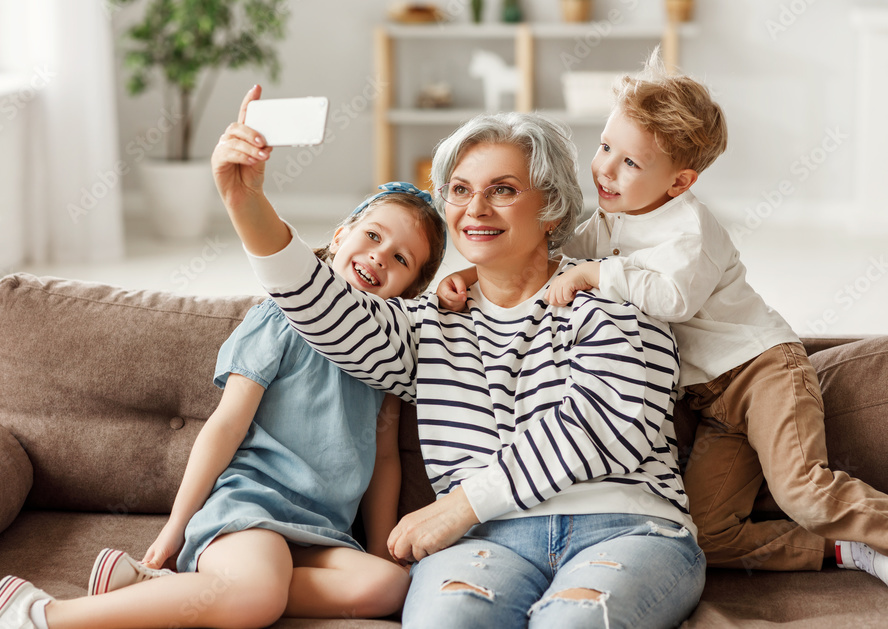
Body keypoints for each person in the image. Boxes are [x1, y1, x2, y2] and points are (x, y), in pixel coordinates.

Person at [215, 85, 705, 627]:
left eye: (502, 190)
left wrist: (459, 506)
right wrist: (246, 203)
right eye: (460, 190)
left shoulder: (612, 287)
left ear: (552, 206)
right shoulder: (430, 322)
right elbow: (325, 308)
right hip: (485, 543)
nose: (476, 209)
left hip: (625, 525)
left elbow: (605, 423)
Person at [440, 48, 888, 585]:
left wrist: (595, 277)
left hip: (760, 372)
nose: (605, 168)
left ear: (678, 183)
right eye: (606, 146)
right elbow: (549, 257)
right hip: (710, 398)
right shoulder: (609, 218)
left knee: (804, 492)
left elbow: (673, 299)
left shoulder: (689, 229)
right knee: (708, 530)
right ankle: (843, 553)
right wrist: (469, 276)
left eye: (629, 162)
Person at [0, 177, 448, 629]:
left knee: (389, 586)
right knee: (258, 595)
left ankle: (177, 590)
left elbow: (384, 459)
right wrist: (175, 530)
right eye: (373, 235)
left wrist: (383, 549)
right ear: (341, 236)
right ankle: (41, 613)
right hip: (248, 510)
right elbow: (225, 425)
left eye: (402, 259)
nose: (381, 256)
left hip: (319, 531)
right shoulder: (280, 319)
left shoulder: (387, 362)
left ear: (411, 292)